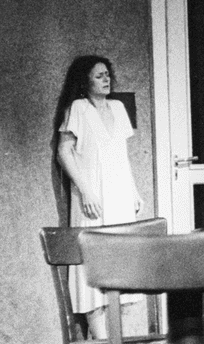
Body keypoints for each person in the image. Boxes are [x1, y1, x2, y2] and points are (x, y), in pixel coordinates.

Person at [52, 55, 144, 313]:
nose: (106, 80)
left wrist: (134, 191)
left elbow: (122, 156)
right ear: (84, 81)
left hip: (119, 197)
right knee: (91, 266)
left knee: (120, 264)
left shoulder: (117, 108)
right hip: (93, 198)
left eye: (107, 75)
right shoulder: (78, 109)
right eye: (98, 76)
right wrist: (86, 191)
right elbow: (64, 152)